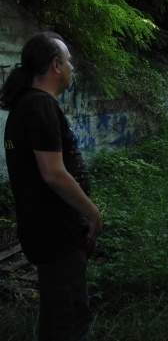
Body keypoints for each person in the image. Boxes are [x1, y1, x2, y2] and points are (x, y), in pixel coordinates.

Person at [1, 31, 102, 341]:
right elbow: (54, 173)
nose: (73, 67)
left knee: (57, 314)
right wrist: (93, 213)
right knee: (68, 319)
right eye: (69, 61)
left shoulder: (23, 107)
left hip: (43, 231)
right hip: (57, 233)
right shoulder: (40, 107)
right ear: (56, 65)